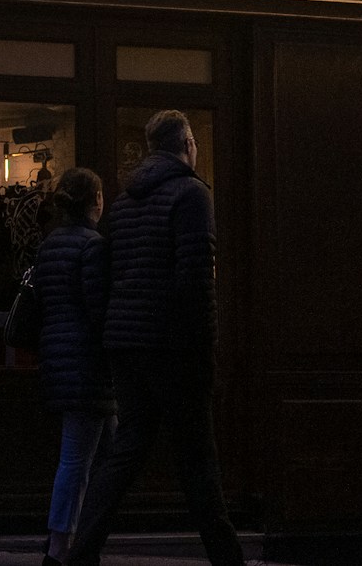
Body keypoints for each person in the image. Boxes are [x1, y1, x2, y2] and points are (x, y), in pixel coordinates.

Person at [65, 111, 243, 566]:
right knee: (199, 461)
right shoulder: (192, 194)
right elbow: (196, 278)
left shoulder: (124, 203)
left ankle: (81, 553)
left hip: (126, 343)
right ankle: (227, 560)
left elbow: (113, 272)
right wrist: (206, 347)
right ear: (187, 144)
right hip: (174, 345)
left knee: (126, 452)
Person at [33, 168, 114, 566]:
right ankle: (60, 545)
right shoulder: (93, 246)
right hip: (86, 366)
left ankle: (82, 540)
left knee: (103, 455)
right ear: (95, 200)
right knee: (78, 460)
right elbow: (99, 312)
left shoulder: (49, 245)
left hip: (57, 360)